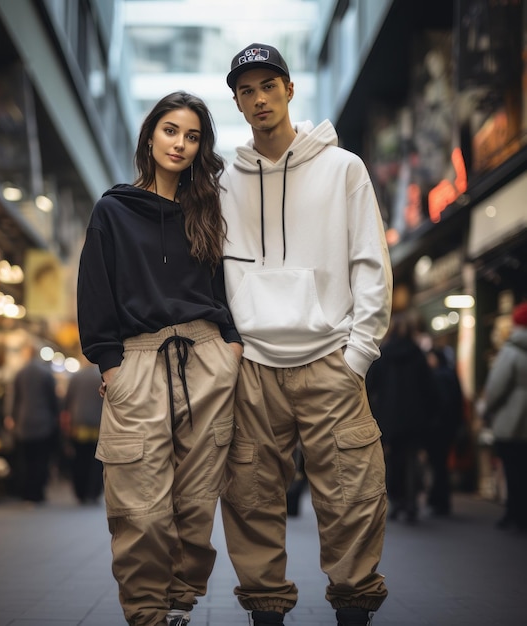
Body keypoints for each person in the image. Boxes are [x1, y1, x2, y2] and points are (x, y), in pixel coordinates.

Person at [219, 44, 393, 626]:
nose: (259, 98)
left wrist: (359, 353)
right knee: (249, 496)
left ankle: (355, 611)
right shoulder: (226, 181)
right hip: (253, 367)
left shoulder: (344, 168)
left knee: (351, 494)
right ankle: (265, 614)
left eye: (269, 85)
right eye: (247, 90)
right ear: (237, 102)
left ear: (289, 90)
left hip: (329, 359)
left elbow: (370, 261)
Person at [77, 91, 243, 626]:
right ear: (150, 135)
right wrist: (111, 365)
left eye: (193, 136)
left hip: (207, 361)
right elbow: (95, 290)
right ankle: (146, 614)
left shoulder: (207, 208)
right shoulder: (114, 209)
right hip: (139, 362)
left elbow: (226, 286)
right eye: (171, 130)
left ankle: (178, 605)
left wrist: (232, 347)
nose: (181, 144)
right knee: (141, 507)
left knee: (195, 505)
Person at [366, 313, 437, 524]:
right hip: (415, 416)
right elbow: (430, 388)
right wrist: (432, 413)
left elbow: (370, 385)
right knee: (412, 456)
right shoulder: (417, 354)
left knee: (393, 459)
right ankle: (412, 500)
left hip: (389, 417)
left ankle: (396, 500)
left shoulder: (383, 354)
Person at [483, 302, 527, 531]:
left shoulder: (511, 351)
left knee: (512, 468)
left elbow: (496, 387)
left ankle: (514, 512)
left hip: (512, 421)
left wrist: (486, 409)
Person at [5, 343, 59, 504]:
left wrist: (11, 416)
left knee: (25, 459)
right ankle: (38, 492)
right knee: (41, 459)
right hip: (43, 421)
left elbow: (14, 397)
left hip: (23, 422)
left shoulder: (20, 373)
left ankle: (26, 492)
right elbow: (53, 400)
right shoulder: (46, 374)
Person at [424, 346, 464, 516]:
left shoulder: (438, 376)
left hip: (438, 428)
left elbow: (441, 403)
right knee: (442, 464)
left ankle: (439, 501)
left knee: (438, 465)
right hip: (449, 427)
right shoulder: (450, 373)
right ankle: (439, 500)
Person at [61, 362, 103, 505]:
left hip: (79, 424)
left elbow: (67, 401)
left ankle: (80, 492)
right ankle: (93, 492)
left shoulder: (76, 377)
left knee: (80, 459)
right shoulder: (101, 376)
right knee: (96, 461)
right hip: (98, 424)